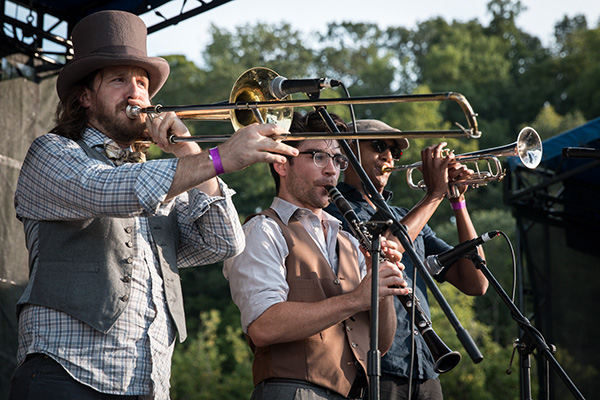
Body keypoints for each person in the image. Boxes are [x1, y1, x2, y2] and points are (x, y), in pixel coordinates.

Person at [8, 10, 298, 400]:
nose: (136, 93)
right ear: (84, 96)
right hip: (64, 372)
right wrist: (218, 157)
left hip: (147, 382)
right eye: (119, 80)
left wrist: (192, 153)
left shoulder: (160, 173)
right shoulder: (53, 152)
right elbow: (105, 189)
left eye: (143, 83)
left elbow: (223, 243)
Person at [223, 111, 409, 400]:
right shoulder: (263, 230)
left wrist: (380, 287)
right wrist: (356, 298)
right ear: (282, 163)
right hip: (293, 392)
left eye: (337, 160)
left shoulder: (348, 240)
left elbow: (381, 343)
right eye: (319, 157)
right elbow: (263, 325)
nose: (332, 171)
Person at [324, 119, 489, 400]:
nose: (388, 156)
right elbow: (387, 247)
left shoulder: (407, 215)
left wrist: (455, 200)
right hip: (377, 367)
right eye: (378, 146)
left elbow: (475, 282)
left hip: (426, 366)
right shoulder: (332, 210)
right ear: (348, 150)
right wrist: (434, 194)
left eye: (395, 152)